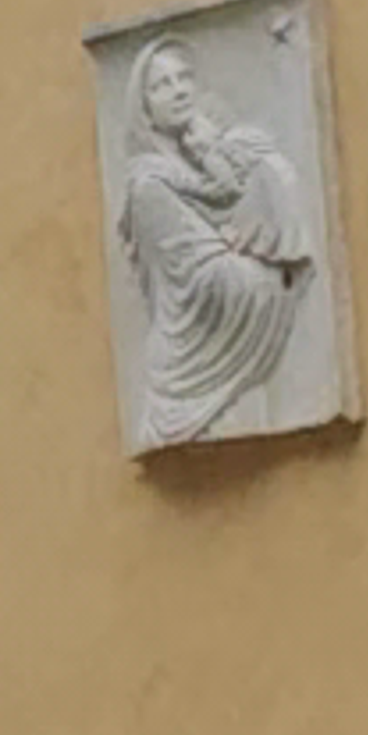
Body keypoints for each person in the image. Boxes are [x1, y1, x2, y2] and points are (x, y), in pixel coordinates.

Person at [115, 36, 311, 439]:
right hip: (196, 389)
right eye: (162, 85)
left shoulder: (209, 157)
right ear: (144, 108)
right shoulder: (149, 186)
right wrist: (281, 276)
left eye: (184, 77)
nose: (180, 89)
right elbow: (205, 287)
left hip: (233, 384)